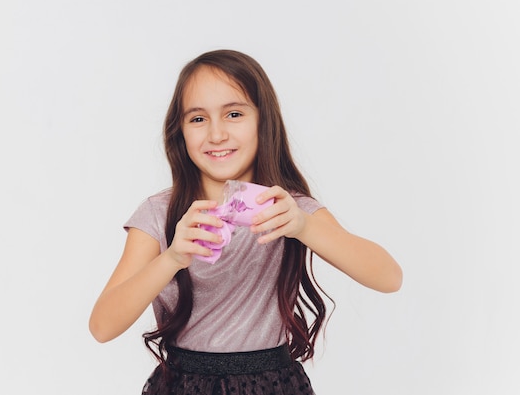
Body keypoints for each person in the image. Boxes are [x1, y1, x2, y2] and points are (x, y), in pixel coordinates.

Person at [89, 49, 403, 395]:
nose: (217, 134)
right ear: (179, 131)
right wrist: (172, 259)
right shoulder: (160, 213)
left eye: (234, 114)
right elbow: (102, 326)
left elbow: (389, 277)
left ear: (262, 121)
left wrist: (304, 226)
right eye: (197, 119)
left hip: (272, 384)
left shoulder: (288, 209)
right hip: (182, 385)